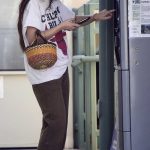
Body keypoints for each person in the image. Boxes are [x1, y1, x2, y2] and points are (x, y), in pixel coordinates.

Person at [17, 0, 114, 150]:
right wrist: (61, 26)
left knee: (57, 124)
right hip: (44, 74)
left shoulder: (55, 3)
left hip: (60, 68)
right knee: (57, 123)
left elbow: (73, 20)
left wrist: (95, 17)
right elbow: (32, 39)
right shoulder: (34, 4)